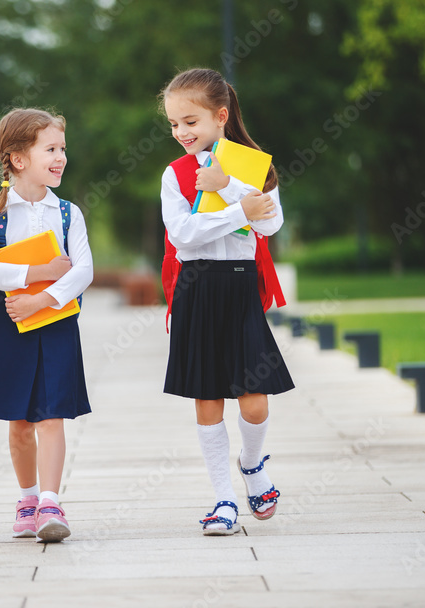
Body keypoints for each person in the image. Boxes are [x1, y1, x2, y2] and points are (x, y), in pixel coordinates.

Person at [160, 68, 294, 535]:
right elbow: (182, 236)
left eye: (190, 121)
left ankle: (253, 465)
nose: (182, 133)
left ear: (220, 116)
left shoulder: (255, 167)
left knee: (255, 400)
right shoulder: (174, 175)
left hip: (240, 289)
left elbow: (270, 226)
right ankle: (223, 499)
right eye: (175, 124)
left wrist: (227, 187)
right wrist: (238, 209)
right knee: (208, 397)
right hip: (195, 288)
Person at [0, 108, 93, 543]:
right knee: (19, 421)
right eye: (50, 149)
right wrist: (41, 273)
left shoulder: (70, 213)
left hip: (55, 321)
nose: (60, 158)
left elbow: (83, 270)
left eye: (62, 149)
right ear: (18, 159)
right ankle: (27, 498)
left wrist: (43, 297)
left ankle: (52, 502)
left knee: (52, 413)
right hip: (10, 323)